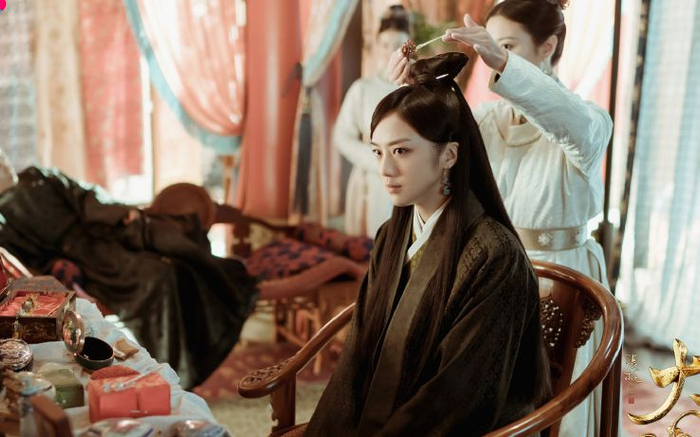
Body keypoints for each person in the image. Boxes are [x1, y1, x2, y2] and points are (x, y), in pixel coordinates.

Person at [389, 1, 612, 435]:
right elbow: (429, 154)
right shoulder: (485, 121)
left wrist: (504, 65)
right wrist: (410, 91)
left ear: (548, 46)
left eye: (507, 46)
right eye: (488, 46)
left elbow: (566, 120)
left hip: (565, 276)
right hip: (495, 273)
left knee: (558, 402)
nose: (493, 56)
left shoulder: (587, 123)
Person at [306, 52, 551, 436]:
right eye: (378, 152)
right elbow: (357, 355)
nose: (385, 169)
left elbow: (458, 394)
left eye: (401, 151)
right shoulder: (392, 236)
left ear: (449, 155)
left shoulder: (495, 256)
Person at [0, 162, 258, 389]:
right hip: (89, 266)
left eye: (3, 160)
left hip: (105, 235)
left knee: (172, 244)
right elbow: (23, 263)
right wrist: (54, 264)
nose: (5, 166)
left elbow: (85, 197)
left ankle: (229, 284)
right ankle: (174, 366)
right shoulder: (2, 219)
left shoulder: (37, 176)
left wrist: (120, 214)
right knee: (159, 277)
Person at [334, 5, 411, 237]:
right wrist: (376, 160)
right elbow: (342, 136)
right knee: (376, 240)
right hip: (373, 179)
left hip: (411, 174)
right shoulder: (363, 88)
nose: (390, 51)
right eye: (385, 44)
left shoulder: (417, 89)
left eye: (398, 45)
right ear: (376, 45)